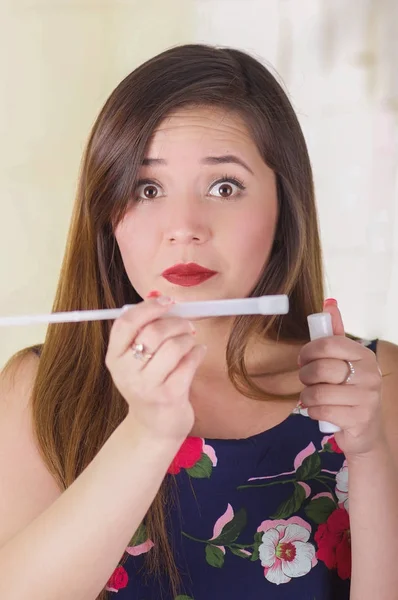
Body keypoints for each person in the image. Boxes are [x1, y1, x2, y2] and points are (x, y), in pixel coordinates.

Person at [0, 44, 397, 600]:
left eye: (224, 187)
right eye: (148, 189)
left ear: (284, 207)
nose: (184, 227)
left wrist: (372, 453)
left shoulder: (379, 381)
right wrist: (149, 431)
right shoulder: (38, 392)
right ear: (107, 215)